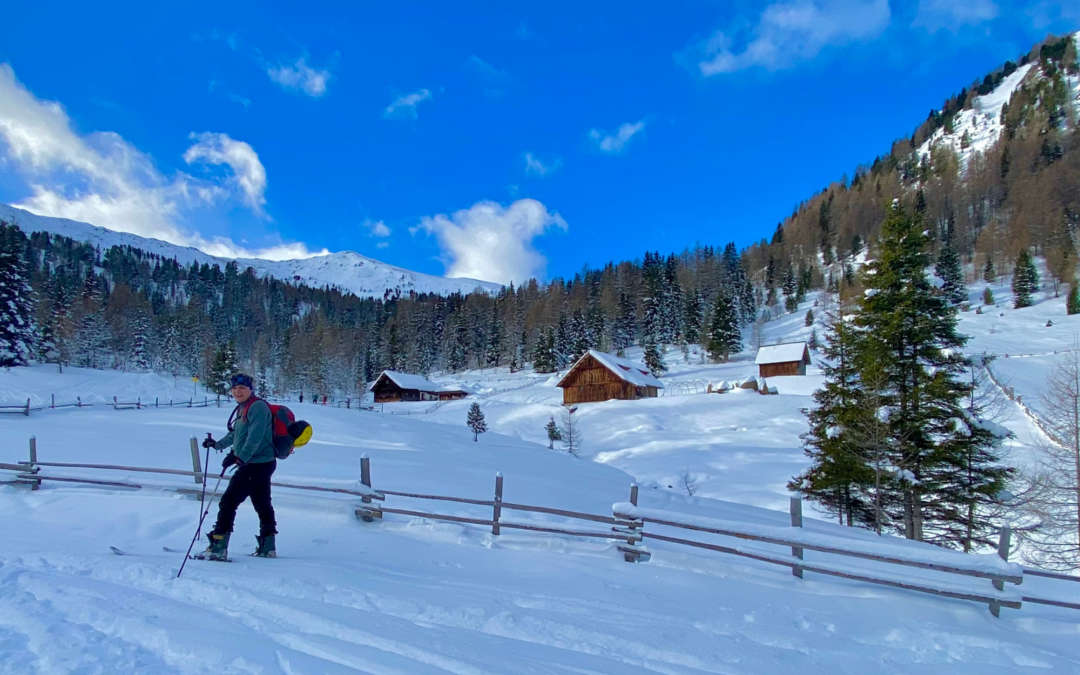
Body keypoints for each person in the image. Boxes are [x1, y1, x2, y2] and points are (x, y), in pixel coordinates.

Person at [199, 373, 278, 560]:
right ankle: (268, 547)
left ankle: (218, 547)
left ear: (250, 389)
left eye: (242, 388)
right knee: (262, 503)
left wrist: (238, 458)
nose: (237, 391)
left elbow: (255, 437)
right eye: (234, 388)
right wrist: (216, 445)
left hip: (256, 464)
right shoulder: (243, 407)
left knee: (228, 501)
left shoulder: (257, 406)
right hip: (258, 463)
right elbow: (236, 435)